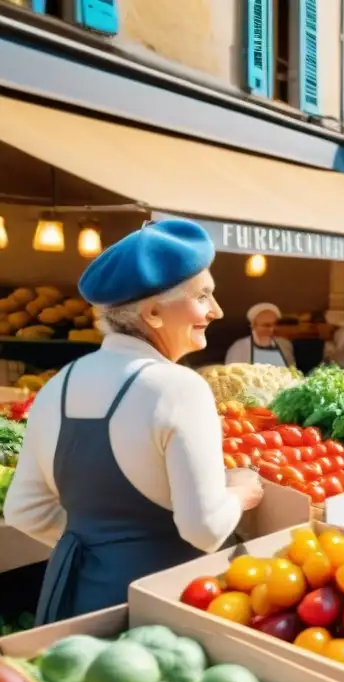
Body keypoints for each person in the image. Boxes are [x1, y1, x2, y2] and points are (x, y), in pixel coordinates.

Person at [3, 219, 264, 624]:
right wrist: (243, 492)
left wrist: (107, 548)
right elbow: (206, 529)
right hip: (157, 615)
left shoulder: (59, 386)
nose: (217, 311)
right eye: (203, 296)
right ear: (154, 312)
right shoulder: (179, 388)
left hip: (75, 608)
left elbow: (24, 510)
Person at [224, 302, 296, 367]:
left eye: (275, 324)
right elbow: (232, 377)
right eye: (266, 325)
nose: (273, 329)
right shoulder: (239, 348)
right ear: (253, 326)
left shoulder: (285, 344)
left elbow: (292, 372)